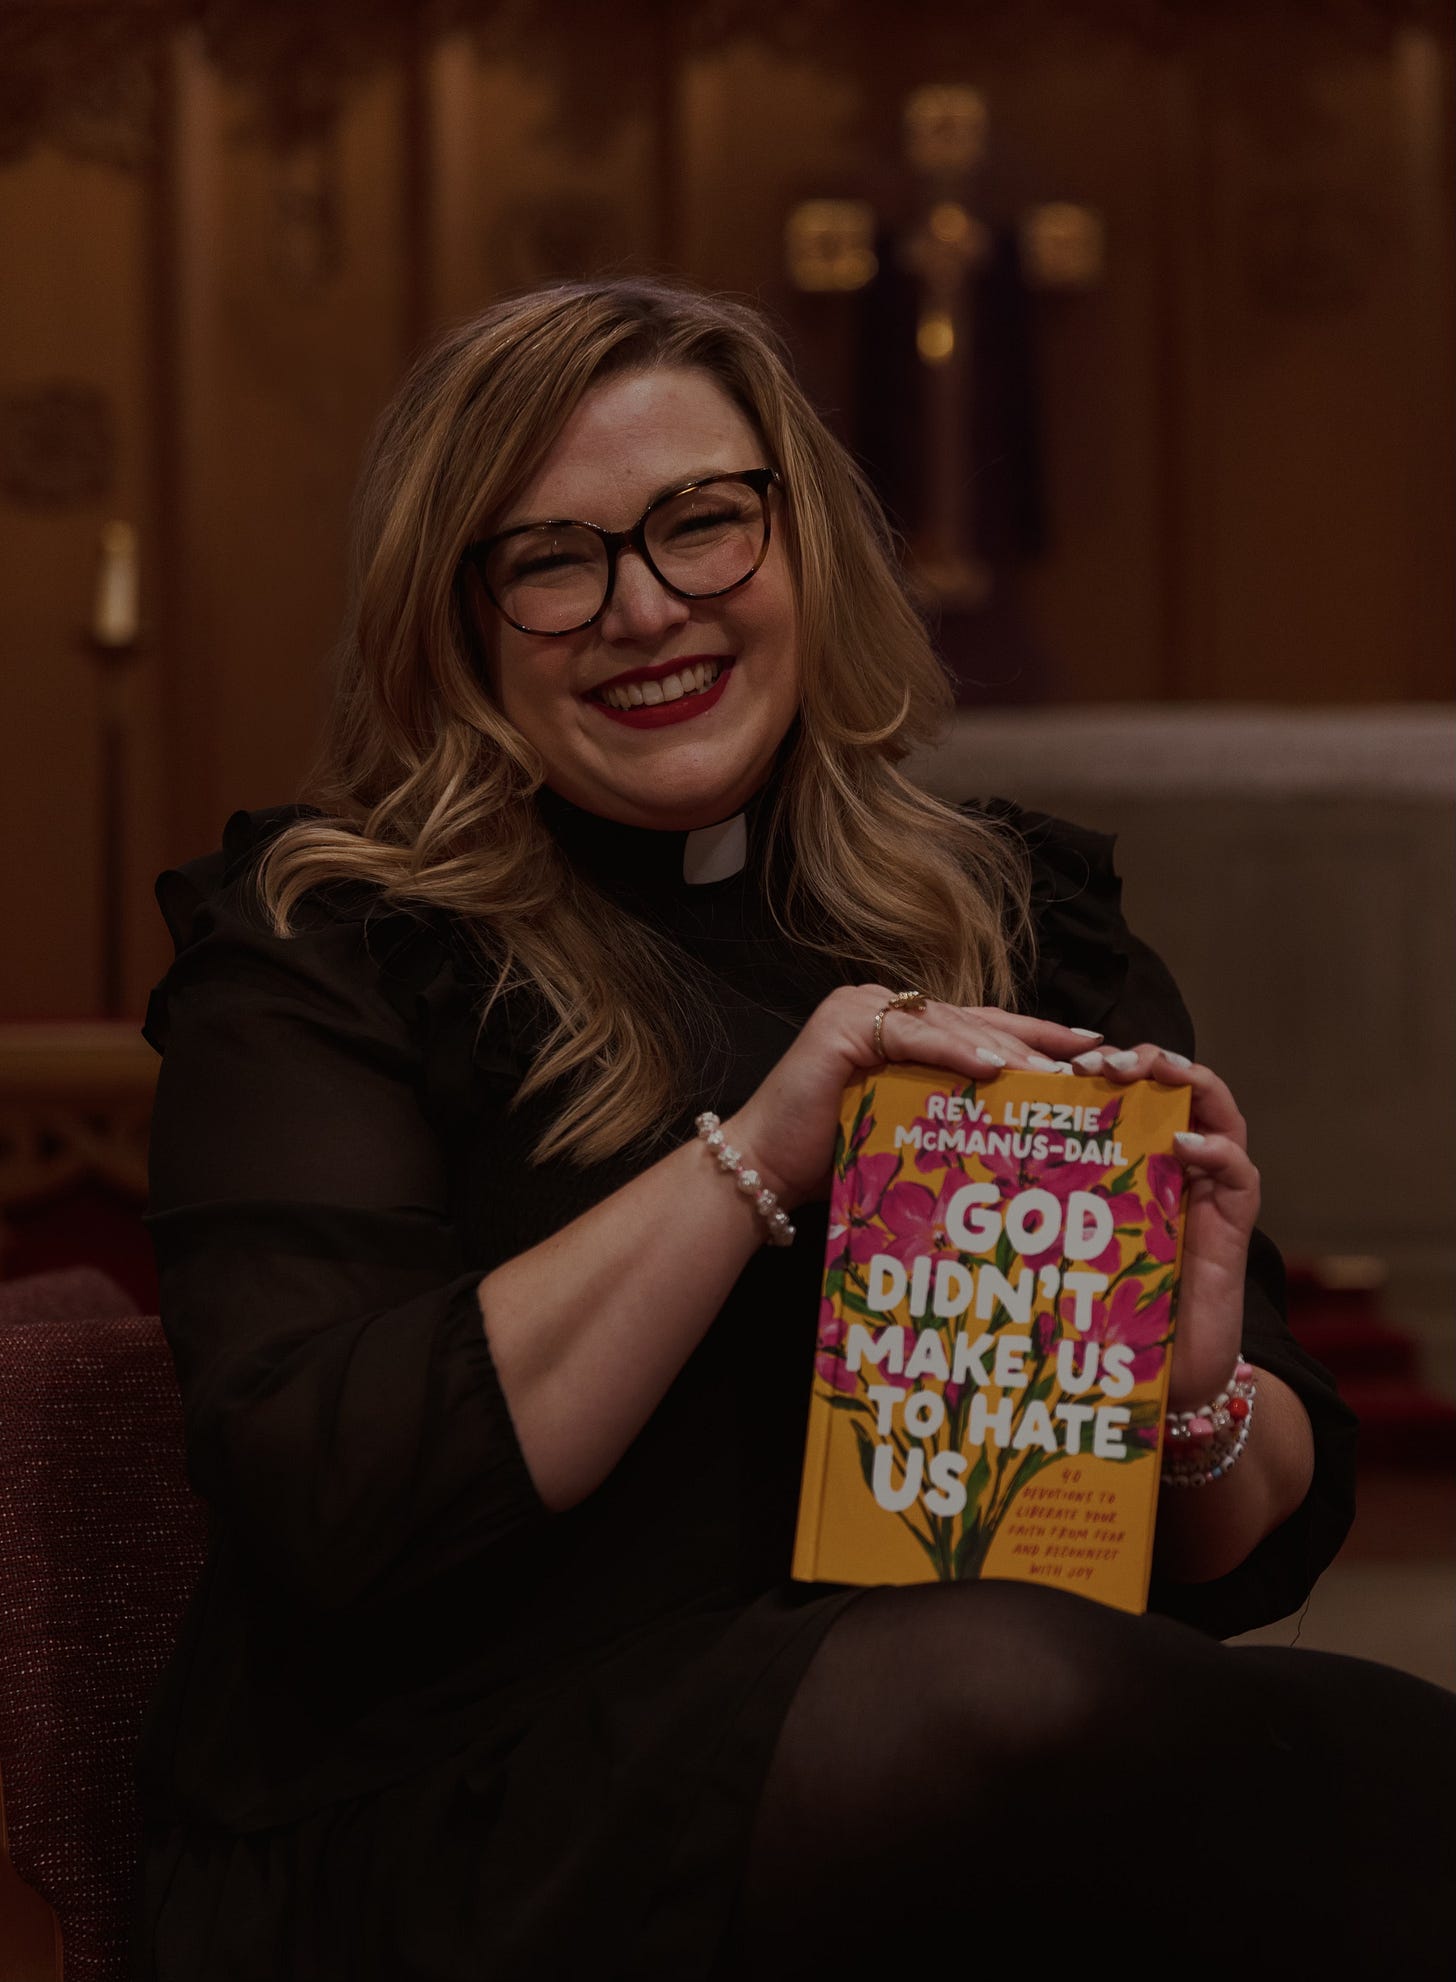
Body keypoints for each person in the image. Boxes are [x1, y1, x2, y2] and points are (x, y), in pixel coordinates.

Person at [134, 277, 1455, 1981]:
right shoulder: (328, 949)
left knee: (1267, 1753)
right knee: (1036, 1705)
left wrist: (1188, 1391)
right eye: (552, 560)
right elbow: (333, 1487)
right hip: (463, 1812)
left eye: (702, 522)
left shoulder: (1016, 923)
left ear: (803, 539)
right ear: (456, 622)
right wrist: (760, 1147)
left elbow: (1238, 1542)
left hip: (969, 1764)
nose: (645, 608)